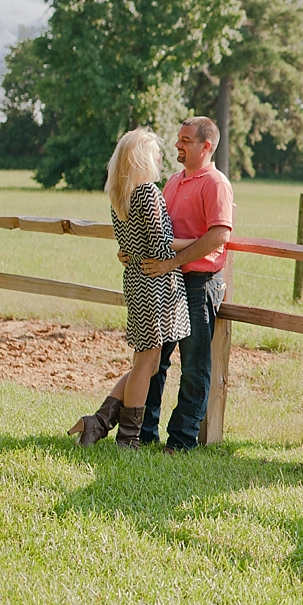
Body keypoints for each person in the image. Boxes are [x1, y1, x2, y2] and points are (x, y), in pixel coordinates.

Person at [68, 129, 191, 448]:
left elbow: (132, 243)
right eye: (156, 153)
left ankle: (98, 422)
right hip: (155, 284)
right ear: (142, 157)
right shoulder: (147, 191)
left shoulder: (120, 190)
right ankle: (128, 439)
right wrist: (199, 243)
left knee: (145, 364)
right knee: (145, 365)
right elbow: (161, 246)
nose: (161, 158)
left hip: (137, 280)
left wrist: (133, 253)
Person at [138, 116, 234, 453]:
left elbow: (219, 235)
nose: (178, 144)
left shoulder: (215, 184)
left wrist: (171, 263)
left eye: (186, 140)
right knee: (155, 360)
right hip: (168, 281)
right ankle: (144, 432)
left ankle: (181, 439)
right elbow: (160, 232)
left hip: (198, 283)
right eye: (178, 138)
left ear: (206, 146)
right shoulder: (174, 181)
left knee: (194, 365)